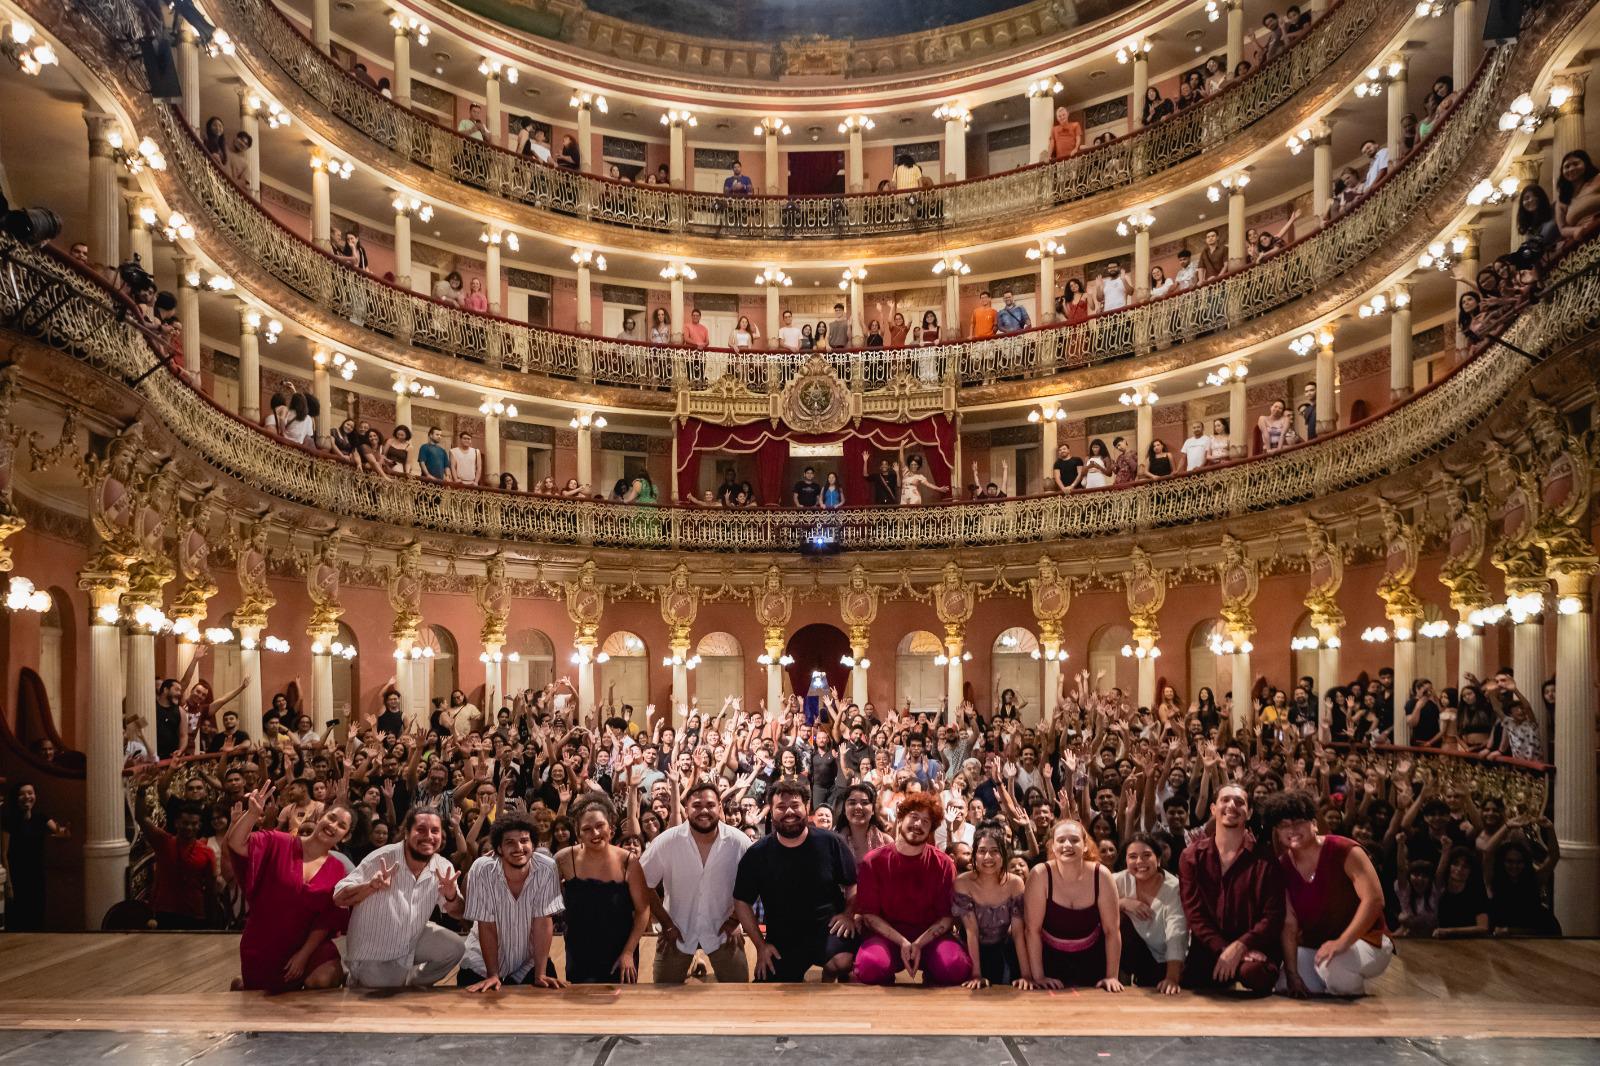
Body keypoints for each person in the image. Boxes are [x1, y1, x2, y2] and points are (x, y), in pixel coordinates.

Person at [1261, 790, 1392, 997]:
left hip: (1367, 940)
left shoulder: (1344, 849)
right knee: (1284, 983)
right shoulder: (1282, 866)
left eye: (1298, 823)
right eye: (1284, 825)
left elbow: (1374, 900)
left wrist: (1342, 942)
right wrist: (1293, 974)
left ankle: (1356, 1009)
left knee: (1336, 967)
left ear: (1313, 823)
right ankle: (1330, 987)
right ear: (1277, 832)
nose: (1292, 830)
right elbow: (1289, 923)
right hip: (1318, 945)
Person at [228, 782, 354, 991]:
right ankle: (241, 985)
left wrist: (303, 955)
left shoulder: (337, 868)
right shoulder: (278, 842)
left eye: (342, 825)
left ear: (346, 836)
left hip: (306, 945)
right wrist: (252, 814)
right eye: (331, 818)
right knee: (261, 1000)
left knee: (324, 979)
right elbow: (236, 843)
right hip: (263, 942)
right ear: (319, 818)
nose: (333, 826)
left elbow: (325, 920)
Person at [732, 781, 858, 982]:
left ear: (806, 807)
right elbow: (741, 901)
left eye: (795, 805)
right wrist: (761, 946)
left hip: (827, 929)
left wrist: (848, 914)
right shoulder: (757, 854)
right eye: (781, 807)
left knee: (842, 962)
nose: (789, 811)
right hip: (783, 937)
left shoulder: (831, 842)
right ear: (771, 812)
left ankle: (829, 979)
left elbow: (853, 883)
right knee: (766, 989)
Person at [334, 807, 466, 988]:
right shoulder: (383, 857)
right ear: (406, 833)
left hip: (411, 938)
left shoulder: (442, 866)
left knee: (455, 948)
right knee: (387, 987)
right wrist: (370, 887)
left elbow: (458, 913)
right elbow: (339, 898)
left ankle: (411, 983)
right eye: (421, 830)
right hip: (373, 951)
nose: (429, 836)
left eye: (435, 831)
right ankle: (357, 976)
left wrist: (451, 896)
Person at [851, 792, 972, 985]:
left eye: (926, 821)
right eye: (914, 817)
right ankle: (887, 972)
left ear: (931, 828)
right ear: (901, 818)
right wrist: (903, 942)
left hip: (930, 938)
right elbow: (869, 915)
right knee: (871, 966)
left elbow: (947, 917)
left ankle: (932, 972)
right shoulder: (873, 861)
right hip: (887, 937)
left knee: (955, 967)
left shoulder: (944, 863)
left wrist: (918, 943)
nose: (918, 825)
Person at [642, 782, 752, 983]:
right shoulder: (667, 841)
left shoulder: (739, 841)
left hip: (725, 932)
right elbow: (643, 884)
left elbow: (754, 883)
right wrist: (665, 923)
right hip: (676, 932)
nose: (704, 811)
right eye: (697, 805)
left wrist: (736, 919)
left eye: (710, 805)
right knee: (663, 999)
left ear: (719, 806)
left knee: (738, 998)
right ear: (686, 809)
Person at [1178, 784, 1283, 993]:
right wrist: (1225, 950)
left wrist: (1241, 947)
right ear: (1213, 809)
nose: (1231, 805)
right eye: (1225, 800)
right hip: (1209, 947)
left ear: (1249, 812)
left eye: (1240, 802)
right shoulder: (1191, 857)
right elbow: (1195, 914)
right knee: (1190, 985)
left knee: (1254, 974)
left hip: (1253, 948)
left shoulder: (1266, 860)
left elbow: (1272, 916)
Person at [458, 814, 565, 991]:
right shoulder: (482, 869)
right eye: (510, 842)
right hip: (481, 963)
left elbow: (543, 922)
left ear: (533, 845)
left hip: (527, 960)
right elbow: (486, 925)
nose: (519, 848)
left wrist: (540, 973)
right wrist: (493, 974)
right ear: (499, 848)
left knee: (546, 1002)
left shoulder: (547, 867)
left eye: (524, 840)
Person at [556, 795, 651, 983]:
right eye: (587, 829)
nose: (595, 833)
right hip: (579, 951)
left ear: (611, 828)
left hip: (621, 954)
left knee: (622, 1009)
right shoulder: (564, 860)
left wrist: (628, 952)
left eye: (600, 826)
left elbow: (643, 911)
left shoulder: (629, 861)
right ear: (578, 833)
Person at [1024, 818, 1123, 991]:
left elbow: (1112, 931)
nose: (1067, 845)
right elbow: (1032, 930)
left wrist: (1112, 976)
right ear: (1052, 846)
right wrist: (1038, 976)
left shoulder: (1102, 875)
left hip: (1092, 960)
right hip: (1049, 960)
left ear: (1085, 845)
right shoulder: (1040, 874)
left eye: (1074, 840)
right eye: (1061, 840)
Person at [953, 825, 1028, 988]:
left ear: (1003, 854)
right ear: (974, 854)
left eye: (995, 851)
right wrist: (976, 974)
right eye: (982, 851)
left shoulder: (1015, 883)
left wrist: (1026, 975)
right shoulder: (963, 883)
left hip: (1002, 946)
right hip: (970, 946)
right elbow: (971, 932)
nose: (988, 857)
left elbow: (1017, 933)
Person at [1114, 833, 1185, 993]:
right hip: (1138, 955)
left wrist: (1172, 978)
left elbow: (1177, 932)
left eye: (1147, 855)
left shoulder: (1174, 888)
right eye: (1133, 856)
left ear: (1158, 859)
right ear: (1126, 860)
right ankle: (1116, 977)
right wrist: (1123, 902)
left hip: (1167, 960)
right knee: (1116, 914)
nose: (1139, 862)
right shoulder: (1118, 880)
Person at [2, 783, 70, 930]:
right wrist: (8, 883)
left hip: (36, 873)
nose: (27, 797)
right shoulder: (9, 820)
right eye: (22, 794)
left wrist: (66, 830)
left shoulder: (41, 818)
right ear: (16, 798)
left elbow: (59, 831)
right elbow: (4, 853)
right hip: (16, 874)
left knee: (37, 914)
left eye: (30, 793)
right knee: (18, 916)